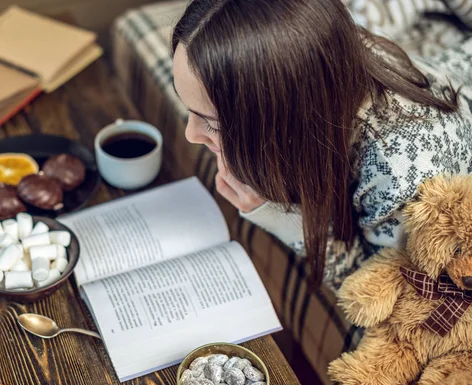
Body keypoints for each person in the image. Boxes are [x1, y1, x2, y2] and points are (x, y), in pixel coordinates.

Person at [171, 0, 472, 291]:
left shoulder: (403, 175)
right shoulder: (331, 53)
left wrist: (278, 214)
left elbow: (380, 288)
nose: (191, 134)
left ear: (289, 116)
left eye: (214, 124)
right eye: (190, 110)